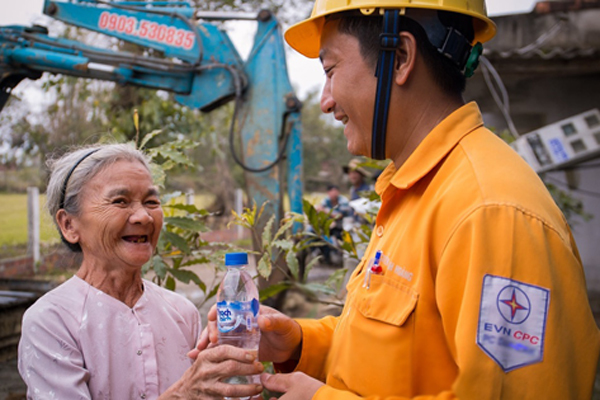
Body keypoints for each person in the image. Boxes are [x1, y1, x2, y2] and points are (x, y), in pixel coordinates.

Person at [194, 0, 600, 399]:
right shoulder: (416, 191)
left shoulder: (490, 212)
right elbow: (396, 353)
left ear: (401, 56)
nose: (325, 100)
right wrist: (300, 344)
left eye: (331, 70)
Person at [18, 143, 264, 399]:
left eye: (151, 201)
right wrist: (182, 394)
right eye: (120, 201)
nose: (144, 216)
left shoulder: (182, 312)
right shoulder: (51, 321)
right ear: (69, 225)